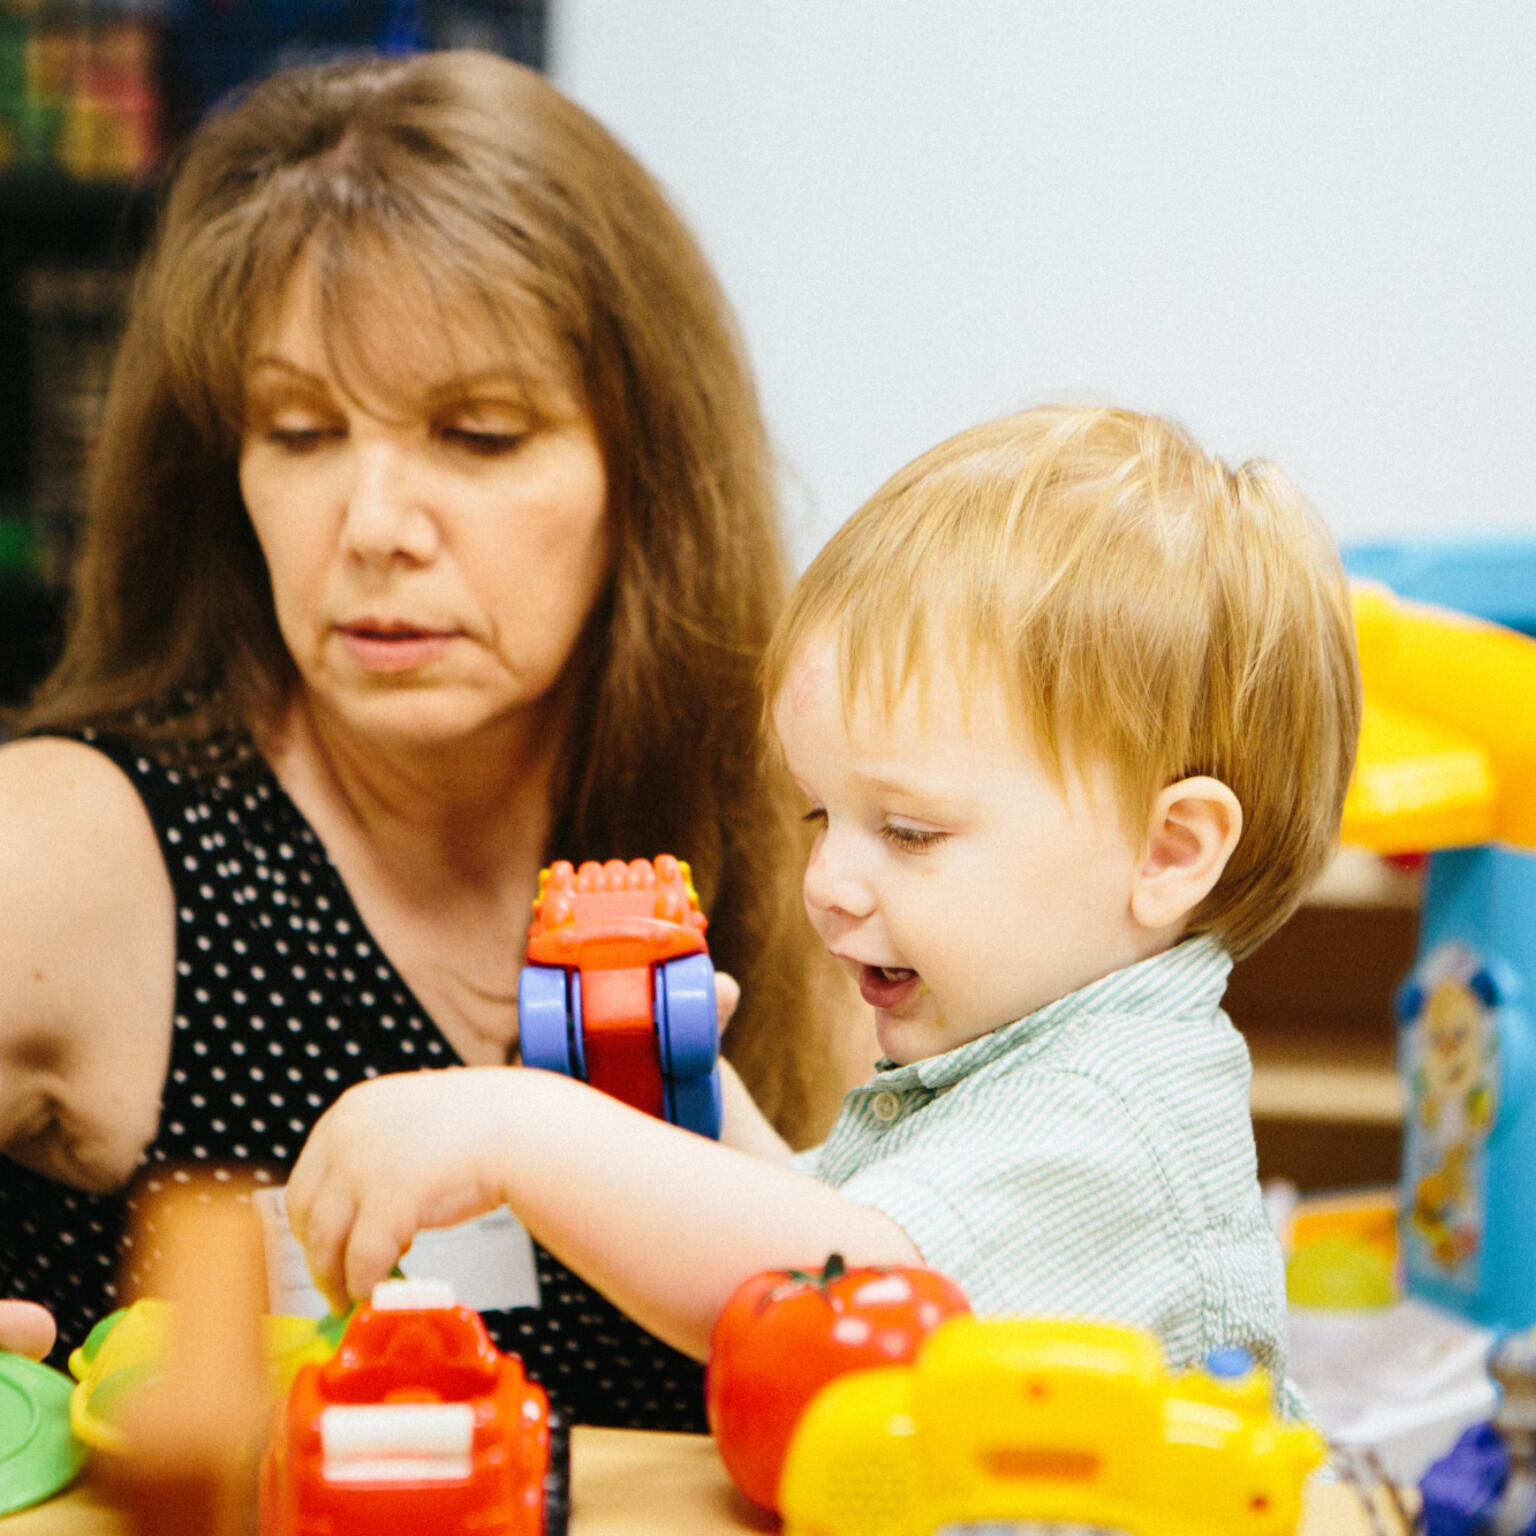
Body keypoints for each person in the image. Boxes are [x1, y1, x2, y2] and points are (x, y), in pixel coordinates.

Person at [0, 49, 862, 1431]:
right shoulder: (76, 842)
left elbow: (925, 1315)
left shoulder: (816, 858)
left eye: (478, 434)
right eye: (300, 431)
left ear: (644, 477)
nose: (374, 525)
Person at [284, 403, 1362, 1402]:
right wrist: (695, 1116)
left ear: (1169, 852)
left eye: (909, 831)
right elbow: (828, 1229)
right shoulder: (1015, 1060)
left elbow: (851, 1302)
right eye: (818, 816)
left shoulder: (1114, 1109)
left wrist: (521, 1135)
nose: (827, 886)